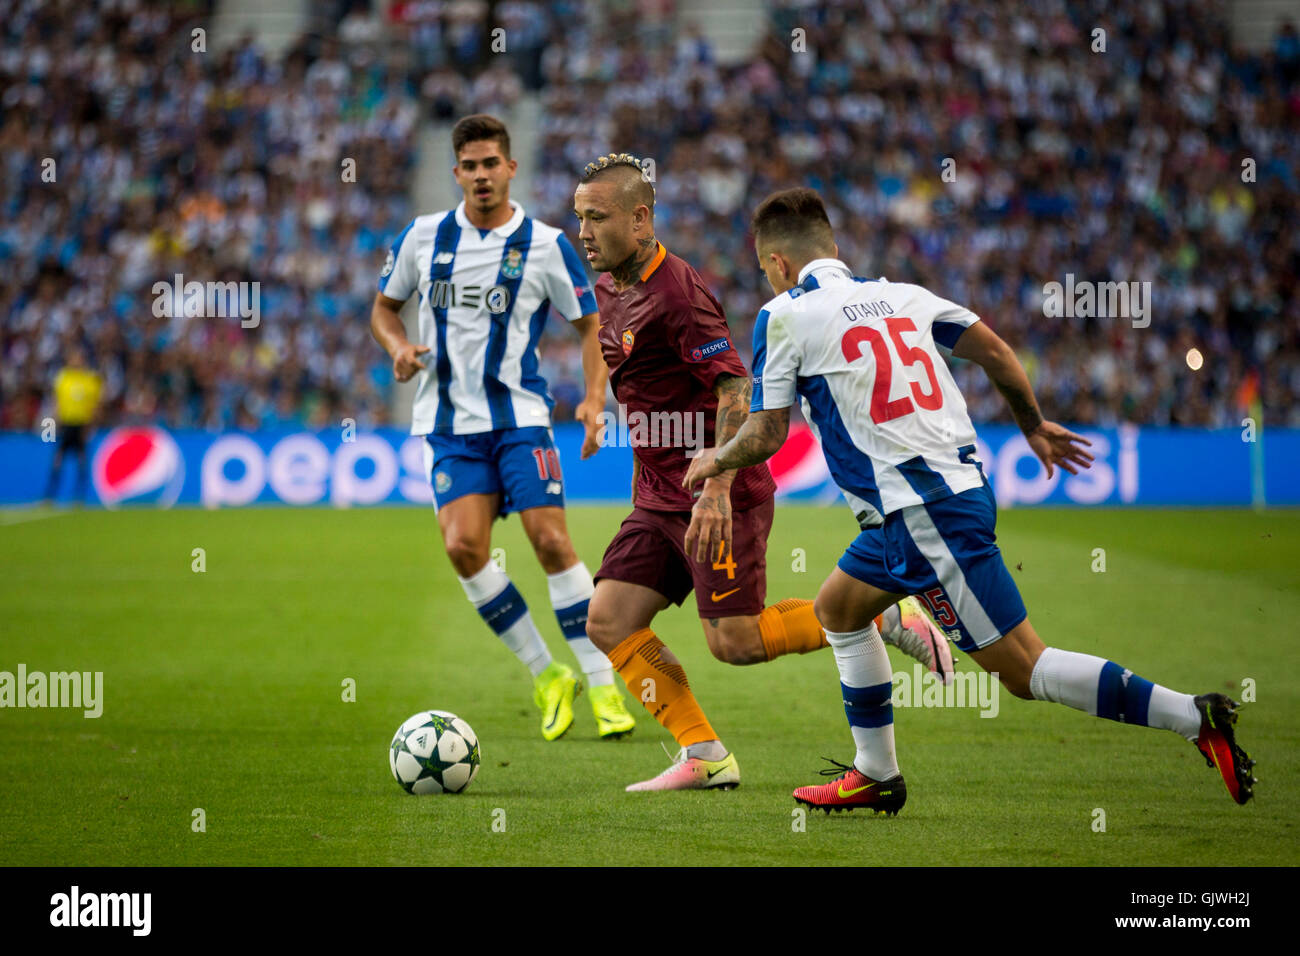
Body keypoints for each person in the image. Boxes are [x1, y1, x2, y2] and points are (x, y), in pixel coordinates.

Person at [685, 187, 1256, 812]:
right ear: (835, 248)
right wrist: (1032, 424)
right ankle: (875, 773)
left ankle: (1192, 717)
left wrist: (717, 457)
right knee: (839, 609)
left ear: (776, 265)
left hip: (924, 510)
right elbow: (995, 352)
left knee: (1023, 671)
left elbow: (767, 432)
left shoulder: (785, 314)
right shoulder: (907, 296)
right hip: (928, 501)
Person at [573, 155, 950, 793]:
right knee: (608, 621)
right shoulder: (610, 285)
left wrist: (717, 486)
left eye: (597, 217)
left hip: (717, 495)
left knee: (736, 643)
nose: (584, 231)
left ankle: (883, 616)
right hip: (659, 496)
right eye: (579, 216)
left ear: (641, 220)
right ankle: (706, 756)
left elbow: (735, 389)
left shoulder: (679, 294)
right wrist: (593, 400)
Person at [370, 115, 636, 742]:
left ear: (511, 168)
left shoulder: (545, 244)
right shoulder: (421, 238)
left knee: (550, 541)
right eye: (471, 165)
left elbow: (590, 322)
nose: (482, 175)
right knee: (464, 547)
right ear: (456, 171)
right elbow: (384, 308)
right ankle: (549, 675)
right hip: (447, 425)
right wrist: (398, 347)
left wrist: (596, 400)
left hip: (520, 418)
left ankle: (602, 687)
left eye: (493, 163)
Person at [43, 346, 102, 506]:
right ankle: (49, 496)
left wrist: (91, 426)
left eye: (78, 358)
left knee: (82, 461)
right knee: (57, 460)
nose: (76, 361)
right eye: (73, 358)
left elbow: (95, 406)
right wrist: (51, 426)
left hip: (82, 425)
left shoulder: (90, 380)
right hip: (66, 424)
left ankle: (80, 497)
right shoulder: (62, 378)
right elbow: (56, 404)